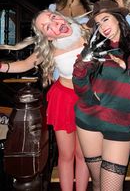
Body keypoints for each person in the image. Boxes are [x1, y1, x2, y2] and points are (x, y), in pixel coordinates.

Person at [0, 10, 90, 191]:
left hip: (88, 100)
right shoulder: (50, 47)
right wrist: (2, 66)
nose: (54, 24)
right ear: (46, 37)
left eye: (53, 17)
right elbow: (25, 64)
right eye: (46, 27)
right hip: (64, 100)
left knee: (83, 155)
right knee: (66, 155)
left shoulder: (87, 31)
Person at [72, 0, 130, 191]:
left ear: (118, 19)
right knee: (98, 184)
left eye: (106, 19)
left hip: (120, 125)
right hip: (88, 121)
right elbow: (82, 92)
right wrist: (80, 69)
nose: (103, 26)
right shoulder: (95, 50)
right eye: (98, 23)